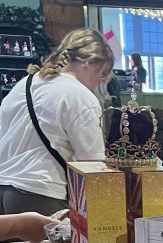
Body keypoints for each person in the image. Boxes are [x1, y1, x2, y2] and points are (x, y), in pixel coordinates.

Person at [0, 28, 114, 215]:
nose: (99, 82)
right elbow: (92, 163)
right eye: (102, 73)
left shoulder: (25, 84)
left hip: (3, 188)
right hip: (39, 193)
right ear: (88, 62)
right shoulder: (79, 95)